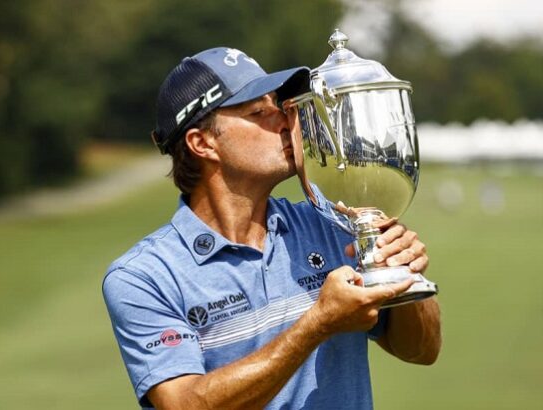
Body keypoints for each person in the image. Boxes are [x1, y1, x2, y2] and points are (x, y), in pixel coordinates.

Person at [102, 47, 441, 410]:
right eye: (259, 112)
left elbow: (422, 350)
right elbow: (184, 404)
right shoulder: (143, 277)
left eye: (278, 106)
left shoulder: (332, 221)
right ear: (202, 143)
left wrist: (400, 277)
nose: (285, 121)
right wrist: (318, 324)